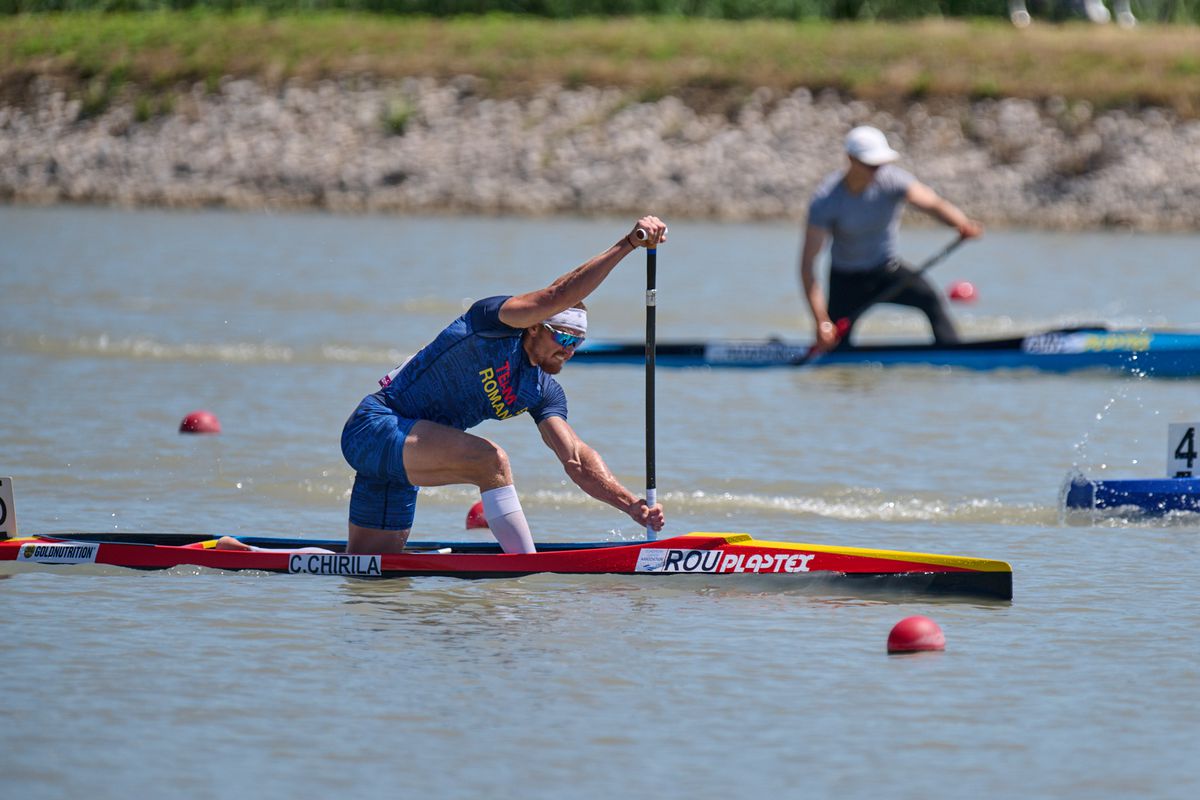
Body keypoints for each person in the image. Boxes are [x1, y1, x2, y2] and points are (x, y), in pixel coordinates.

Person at [339, 216, 669, 555]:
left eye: (578, 342)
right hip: (374, 428)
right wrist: (628, 244)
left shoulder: (542, 391)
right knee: (491, 461)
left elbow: (577, 460)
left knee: (373, 570)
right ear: (535, 327)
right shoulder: (493, 323)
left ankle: (288, 565)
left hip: (404, 458)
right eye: (564, 336)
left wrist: (630, 504)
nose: (569, 350)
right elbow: (556, 294)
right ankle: (525, 564)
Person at [799, 125, 984, 352]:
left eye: (881, 164)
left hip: (886, 271)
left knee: (931, 301)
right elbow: (807, 265)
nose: (877, 170)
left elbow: (932, 203)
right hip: (845, 281)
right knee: (835, 347)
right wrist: (822, 322)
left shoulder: (892, 180)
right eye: (870, 165)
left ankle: (954, 356)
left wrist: (961, 223)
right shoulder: (826, 200)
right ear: (850, 159)